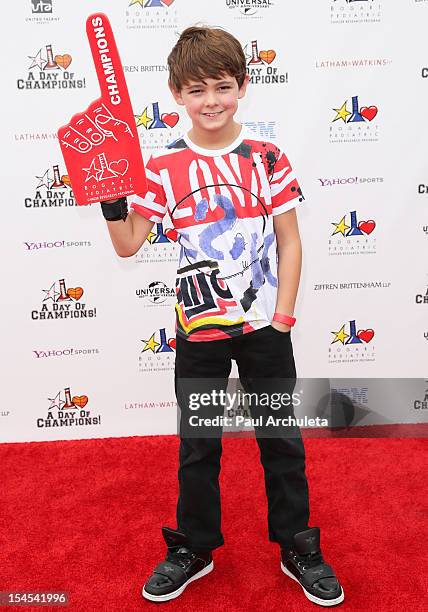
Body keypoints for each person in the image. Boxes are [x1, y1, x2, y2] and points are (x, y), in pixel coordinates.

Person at [100, 25, 344, 607]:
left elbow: (289, 238)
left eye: (222, 86)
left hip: (265, 327)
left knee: (281, 439)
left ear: (243, 87)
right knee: (199, 442)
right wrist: (111, 195)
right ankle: (194, 547)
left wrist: (283, 314)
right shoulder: (162, 167)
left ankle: (297, 544)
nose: (211, 100)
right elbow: (128, 244)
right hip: (198, 330)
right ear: (175, 94)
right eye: (197, 89)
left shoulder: (267, 158)